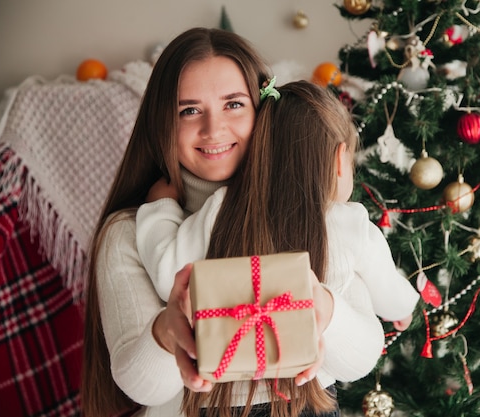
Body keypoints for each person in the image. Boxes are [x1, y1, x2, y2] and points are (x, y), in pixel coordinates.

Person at [81, 28, 386, 417]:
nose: (213, 129)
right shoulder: (128, 232)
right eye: (189, 110)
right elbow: (140, 385)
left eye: (234, 104)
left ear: (265, 109)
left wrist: (327, 311)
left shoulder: (315, 214)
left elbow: (360, 359)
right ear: (162, 123)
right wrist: (166, 333)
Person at [136, 80, 419, 334]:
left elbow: (167, 276)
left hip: (241, 356)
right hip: (313, 377)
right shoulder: (352, 223)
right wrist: (403, 309)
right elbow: (387, 288)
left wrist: (161, 206)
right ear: (339, 160)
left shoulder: (221, 206)